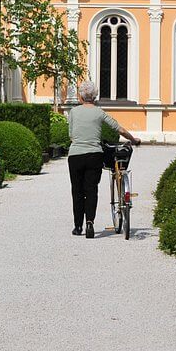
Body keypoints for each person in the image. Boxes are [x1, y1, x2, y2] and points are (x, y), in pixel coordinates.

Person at [67, 81, 140, 238]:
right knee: (91, 190)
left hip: (75, 156)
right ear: (94, 97)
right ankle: (90, 223)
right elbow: (119, 129)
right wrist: (133, 140)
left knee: (77, 191)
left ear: (80, 96)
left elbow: (71, 136)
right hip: (94, 155)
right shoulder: (99, 112)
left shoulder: (73, 112)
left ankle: (78, 226)